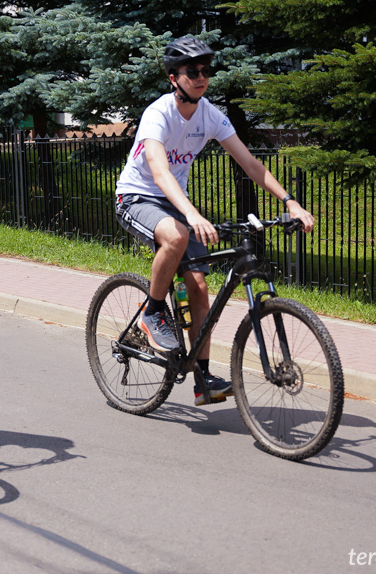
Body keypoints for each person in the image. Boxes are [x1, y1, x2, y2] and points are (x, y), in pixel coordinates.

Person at [115, 36, 315, 406]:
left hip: (175, 204)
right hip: (138, 196)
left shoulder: (209, 114)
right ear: (173, 77)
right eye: (193, 71)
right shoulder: (158, 113)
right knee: (175, 238)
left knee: (200, 287)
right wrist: (191, 214)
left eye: (207, 70)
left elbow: (250, 163)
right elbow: (158, 171)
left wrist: (290, 202)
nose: (201, 77)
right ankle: (154, 313)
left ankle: (202, 378)